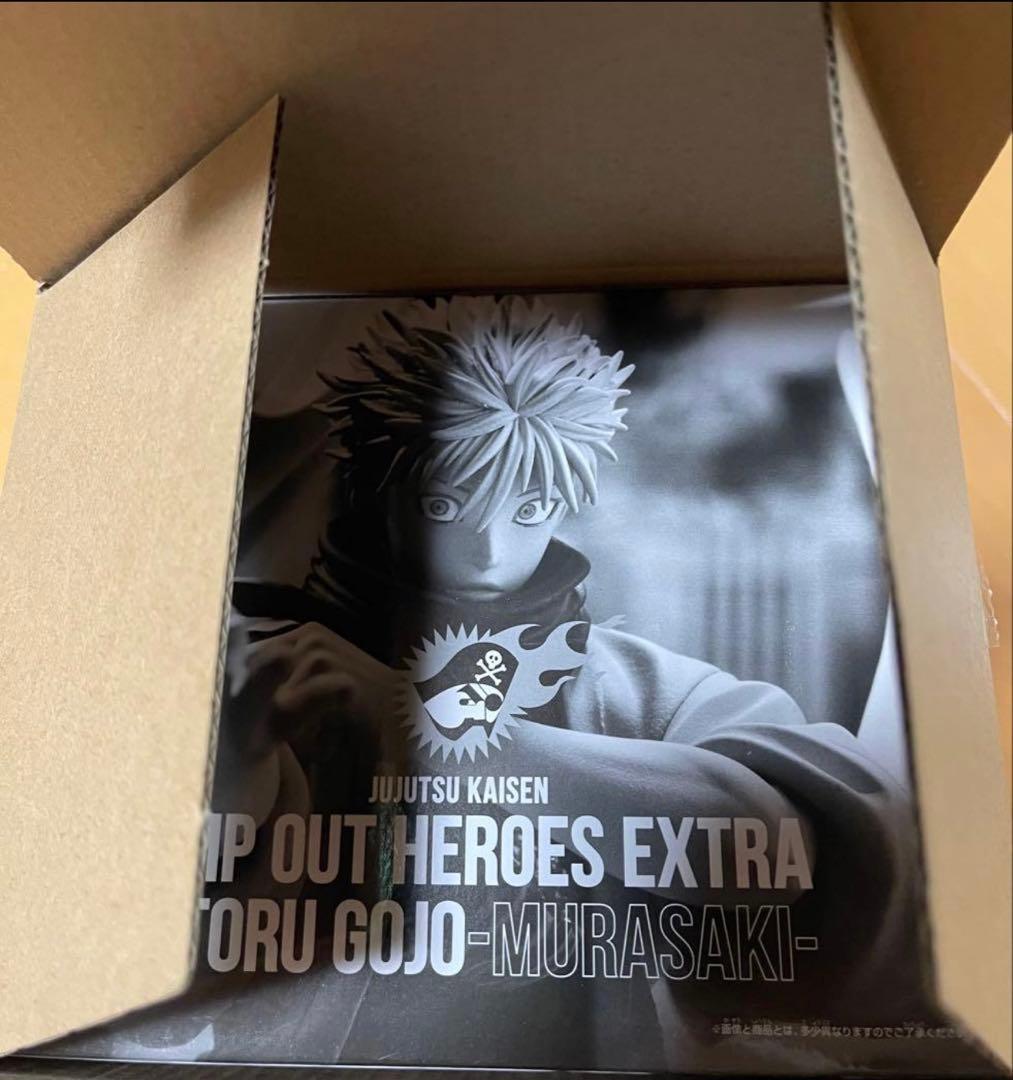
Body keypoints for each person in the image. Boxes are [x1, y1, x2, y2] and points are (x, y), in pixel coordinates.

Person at [208, 295, 919, 1070]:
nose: (486, 548)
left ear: (566, 502)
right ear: (377, 489)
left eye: (531, 507)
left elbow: (788, 844)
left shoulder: (636, 687)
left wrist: (435, 734)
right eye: (445, 504)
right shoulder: (253, 657)